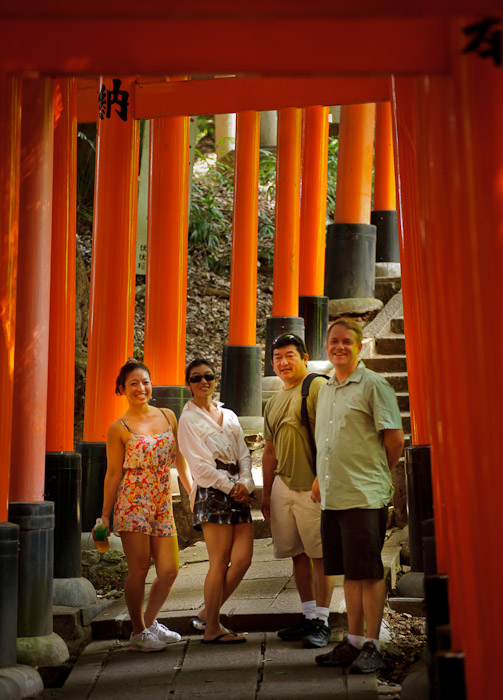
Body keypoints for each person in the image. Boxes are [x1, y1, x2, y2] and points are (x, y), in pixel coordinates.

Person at [314, 318, 404, 673]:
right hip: (333, 495)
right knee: (349, 574)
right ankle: (351, 642)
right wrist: (321, 479)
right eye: (333, 341)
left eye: (346, 342)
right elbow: (325, 441)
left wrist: (377, 475)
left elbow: (394, 440)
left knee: (367, 573)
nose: (338, 347)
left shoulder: (374, 385)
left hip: (364, 494)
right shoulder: (325, 389)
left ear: (359, 346)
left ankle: (372, 643)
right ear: (326, 345)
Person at [99, 359, 193, 652]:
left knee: (169, 570)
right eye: (133, 384)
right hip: (133, 501)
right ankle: (138, 631)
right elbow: (113, 472)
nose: (141, 388)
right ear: (122, 390)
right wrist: (104, 515)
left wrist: (191, 492)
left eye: (145, 382)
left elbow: (179, 459)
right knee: (139, 569)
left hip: (163, 500)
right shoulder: (119, 427)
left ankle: (150, 623)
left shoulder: (168, 416)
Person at [262, 333, 335, 649]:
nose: (283, 362)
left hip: (312, 486)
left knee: (319, 554)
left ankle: (322, 619)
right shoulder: (274, 400)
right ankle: (307, 615)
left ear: (305, 358)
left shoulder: (317, 386)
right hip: (283, 485)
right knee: (297, 553)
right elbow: (269, 450)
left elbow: (332, 435)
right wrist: (266, 495)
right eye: (277, 357)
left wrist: (323, 475)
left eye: (290, 355)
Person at [177, 358, 255, 645]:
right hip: (211, 492)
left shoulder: (230, 415)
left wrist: (246, 482)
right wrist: (231, 486)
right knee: (219, 561)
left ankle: (205, 614)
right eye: (196, 378)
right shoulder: (188, 420)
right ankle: (212, 628)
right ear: (189, 384)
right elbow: (200, 465)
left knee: (244, 559)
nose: (203, 382)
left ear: (214, 379)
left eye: (208, 376)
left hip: (238, 489)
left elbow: (243, 452)